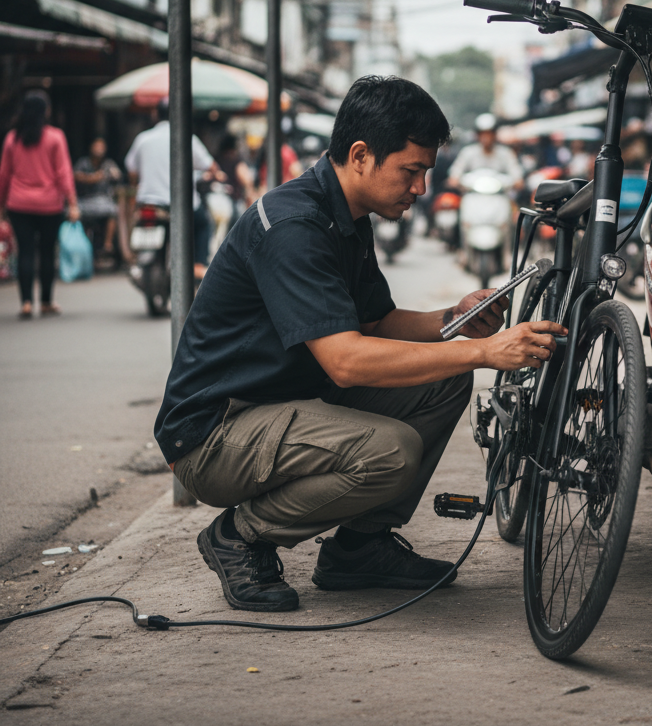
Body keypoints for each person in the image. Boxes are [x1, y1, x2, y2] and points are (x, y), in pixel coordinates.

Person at [155, 76, 565, 612]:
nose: (420, 188)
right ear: (360, 155)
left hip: (282, 404)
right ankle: (240, 535)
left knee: (442, 377)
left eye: (425, 173)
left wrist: (454, 318)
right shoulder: (294, 225)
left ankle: (359, 547)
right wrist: (486, 352)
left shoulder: (346, 215)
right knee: (390, 451)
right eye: (411, 171)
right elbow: (346, 360)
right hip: (215, 432)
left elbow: (378, 322)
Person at [0, 90, 79, 318]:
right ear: (45, 111)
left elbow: (4, 175)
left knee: (25, 252)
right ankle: (45, 301)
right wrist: (72, 203)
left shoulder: (12, 139)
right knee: (46, 252)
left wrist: (1, 205)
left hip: (18, 204)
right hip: (49, 205)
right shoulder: (55, 137)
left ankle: (26, 303)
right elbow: (64, 173)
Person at [124, 99, 218, 276]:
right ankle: (198, 264)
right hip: (183, 205)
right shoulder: (187, 138)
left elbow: (131, 170)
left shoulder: (143, 139)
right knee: (204, 224)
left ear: (155, 114)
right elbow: (211, 166)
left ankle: (142, 262)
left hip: (149, 202)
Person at [446, 113, 523, 191]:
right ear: (477, 135)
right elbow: (456, 172)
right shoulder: (468, 152)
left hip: (500, 195)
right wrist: (454, 179)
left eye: (489, 134)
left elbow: (516, 174)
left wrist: (517, 181)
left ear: (495, 134)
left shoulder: (506, 153)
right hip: (472, 194)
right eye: (482, 134)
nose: (486, 138)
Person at [74, 137, 122, 260]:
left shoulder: (108, 164)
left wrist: (115, 174)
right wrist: (94, 177)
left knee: (113, 210)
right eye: (97, 146)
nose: (99, 150)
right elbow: (75, 176)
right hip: (85, 200)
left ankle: (108, 244)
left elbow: (118, 175)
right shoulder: (83, 163)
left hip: (103, 201)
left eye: (102, 147)